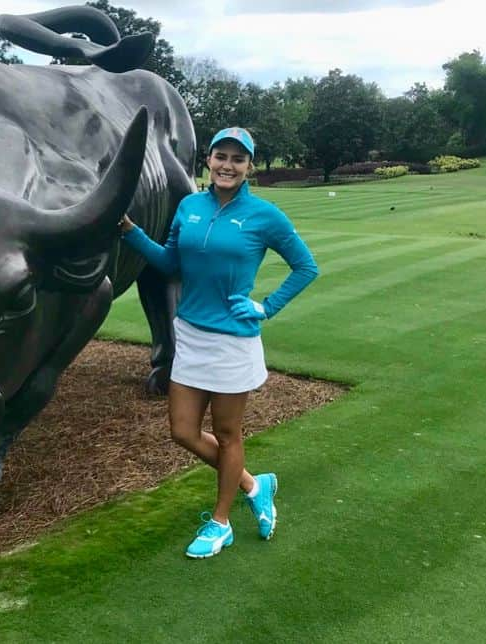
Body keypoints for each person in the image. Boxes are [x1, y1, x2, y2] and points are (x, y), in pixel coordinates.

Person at [120, 126, 319, 558]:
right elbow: (171, 263)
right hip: (189, 334)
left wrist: (266, 307)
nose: (227, 165)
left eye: (238, 159)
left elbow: (306, 267)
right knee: (183, 431)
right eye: (220, 156)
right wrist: (131, 231)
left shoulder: (265, 216)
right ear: (207, 161)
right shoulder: (189, 206)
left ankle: (221, 522)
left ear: (250, 166)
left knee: (229, 434)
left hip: (232, 342)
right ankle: (253, 483)